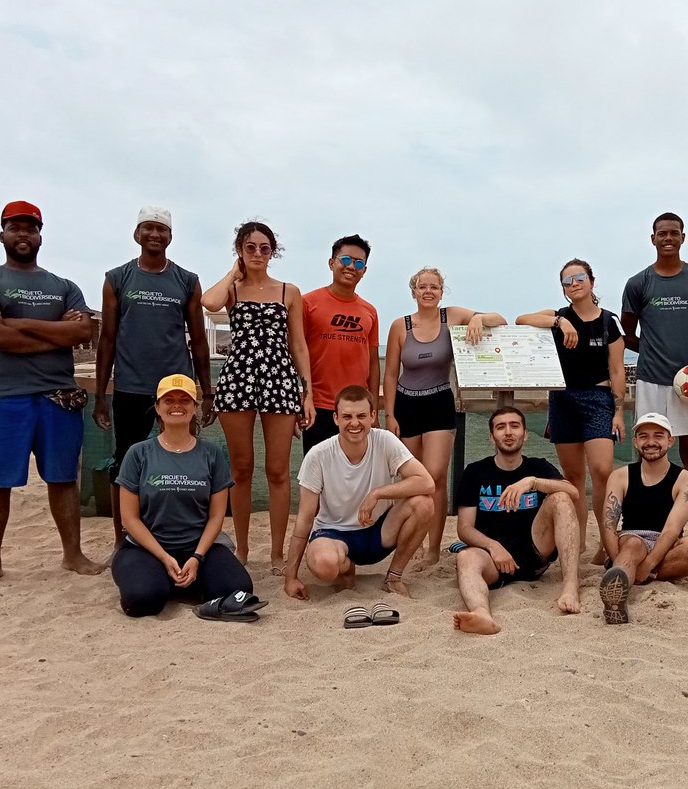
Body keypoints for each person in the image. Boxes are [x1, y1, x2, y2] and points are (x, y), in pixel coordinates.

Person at [0, 200, 103, 588]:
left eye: (31, 228)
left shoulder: (64, 286)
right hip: (2, 396)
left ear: (40, 235)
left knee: (62, 479)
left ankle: (72, 554)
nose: (23, 234)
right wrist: (52, 333)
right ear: (2, 233)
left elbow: (81, 334)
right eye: (15, 227)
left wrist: (18, 324)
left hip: (57, 396)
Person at [93, 206, 214, 550]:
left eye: (161, 229)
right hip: (131, 387)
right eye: (148, 228)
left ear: (170, 237)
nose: (155, 235)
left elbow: (199, 340)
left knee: (182, 460)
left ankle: (186, 534)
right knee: (124, 464)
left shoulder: (186, 280)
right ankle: (122, 541)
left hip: (177, 390)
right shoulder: (117, 278)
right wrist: (101, 395)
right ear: (137, 234)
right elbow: (108, 339)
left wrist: (207, 392)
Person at [203, 221, 314, 571]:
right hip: (238, 377)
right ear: (239, 250)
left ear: (273, 251)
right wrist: (233, 271)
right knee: (241, 468)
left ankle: (278, 553)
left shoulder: (288, 292)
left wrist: (305, 393)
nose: (257, 254)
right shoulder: (232, 290)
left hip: (279, 379)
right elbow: (209, 303)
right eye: (249, 247)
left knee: (278, 469)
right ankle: (244, 550)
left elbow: (298, 344)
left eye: (264, 248)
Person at [111, 374, 264, 620]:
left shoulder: (211, 454)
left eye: (185, 400)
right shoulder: (138, 454)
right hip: (147, 548)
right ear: (158, 407)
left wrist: (197, 557)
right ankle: (160, 577)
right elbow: (129, 518)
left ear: (194, 407)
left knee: (238, 590)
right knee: (142, 600)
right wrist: (163, 557)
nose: (177, 405)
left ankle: (184, 577)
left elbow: (216, 516)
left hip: (199, 546)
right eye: (169, 400)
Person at [383, 266, 506, 564]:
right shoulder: (401, 326)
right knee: (411, 478)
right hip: (406, 404)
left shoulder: (450, 316)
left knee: (436, 476)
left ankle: (434, 549)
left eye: (434, 287)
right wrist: (389, 415)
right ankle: (407, 542)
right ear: (413, 292)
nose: (428, 291)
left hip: (438, 401)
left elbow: (500, 319)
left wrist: (476, 318)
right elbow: (389, 374)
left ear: (441, 291)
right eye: (422, 286)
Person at [620, 212, 688, 535]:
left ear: (683, 237)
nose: (668, 238)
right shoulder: (639, 283)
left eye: (674, 233)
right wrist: (653, 351)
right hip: (651, 381)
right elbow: (626, 333)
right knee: (648, 453)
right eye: (662, 234)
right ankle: (644, 522)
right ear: (652, 239)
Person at [516, 259, 625, 563]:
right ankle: (577, 541)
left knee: (603, 471)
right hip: (562, 399)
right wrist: (558, 322)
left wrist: (618, 412)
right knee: (574, 477)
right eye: (567, 281)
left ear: (592, 280)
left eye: (579, 278)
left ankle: (606, 540)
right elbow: (521, 319)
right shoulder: (558, 315)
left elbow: (617, 370)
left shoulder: (608, 322)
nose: (574, 284)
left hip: (598, 398)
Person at [283, 385, 435, 600]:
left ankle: (394, 576)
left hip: (379, 531)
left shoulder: (385, 440)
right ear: (336, 418)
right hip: (333, 532)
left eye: (362, 416)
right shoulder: (318, 455)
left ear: (373, 416)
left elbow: (427, 482)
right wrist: (291, 578)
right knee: (324, 565)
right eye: (347, 416)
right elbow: (305, 518)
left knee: (424, 503)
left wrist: (377, 493)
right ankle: (346, 568)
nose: (354, 423)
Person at [451, 406, 581, 635]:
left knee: (560, 497)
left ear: (525, 433)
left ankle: (570, 586)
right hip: (493, 558)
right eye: (501, 427)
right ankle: (481, 613)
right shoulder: (475, 472)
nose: (508, 432)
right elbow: (464, 528)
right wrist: (493, 546)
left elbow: (574, 493)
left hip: (535, 549)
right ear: (492, 436)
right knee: (465, 556)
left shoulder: (537, 467)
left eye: (514, 426)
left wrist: (532, 482)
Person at [598, 412, 688, 624]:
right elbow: (608, 524)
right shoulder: (620, 475)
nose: (650, 442)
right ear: (635, 442)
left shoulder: (686, 480)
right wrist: (616, 556)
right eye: (643, 436)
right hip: (631, 539)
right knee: (633, 544)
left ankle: (625, 575)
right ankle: (617, 594)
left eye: (658, 436)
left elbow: (672, 529)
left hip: (667, 546)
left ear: (670, 441)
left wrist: (649, 564)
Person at [301, 235, 379, 454]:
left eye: (359, 263)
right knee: (318, 476)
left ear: (364, 270)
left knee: (357, 476)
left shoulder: (369, 311)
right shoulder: (307, 303)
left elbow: (373, 362)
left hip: (358, 409)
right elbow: (297, 352)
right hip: (319, 407)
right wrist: (303, 398)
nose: (351, 267)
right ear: (332, 262)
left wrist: (373, 409)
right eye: (346, 260)